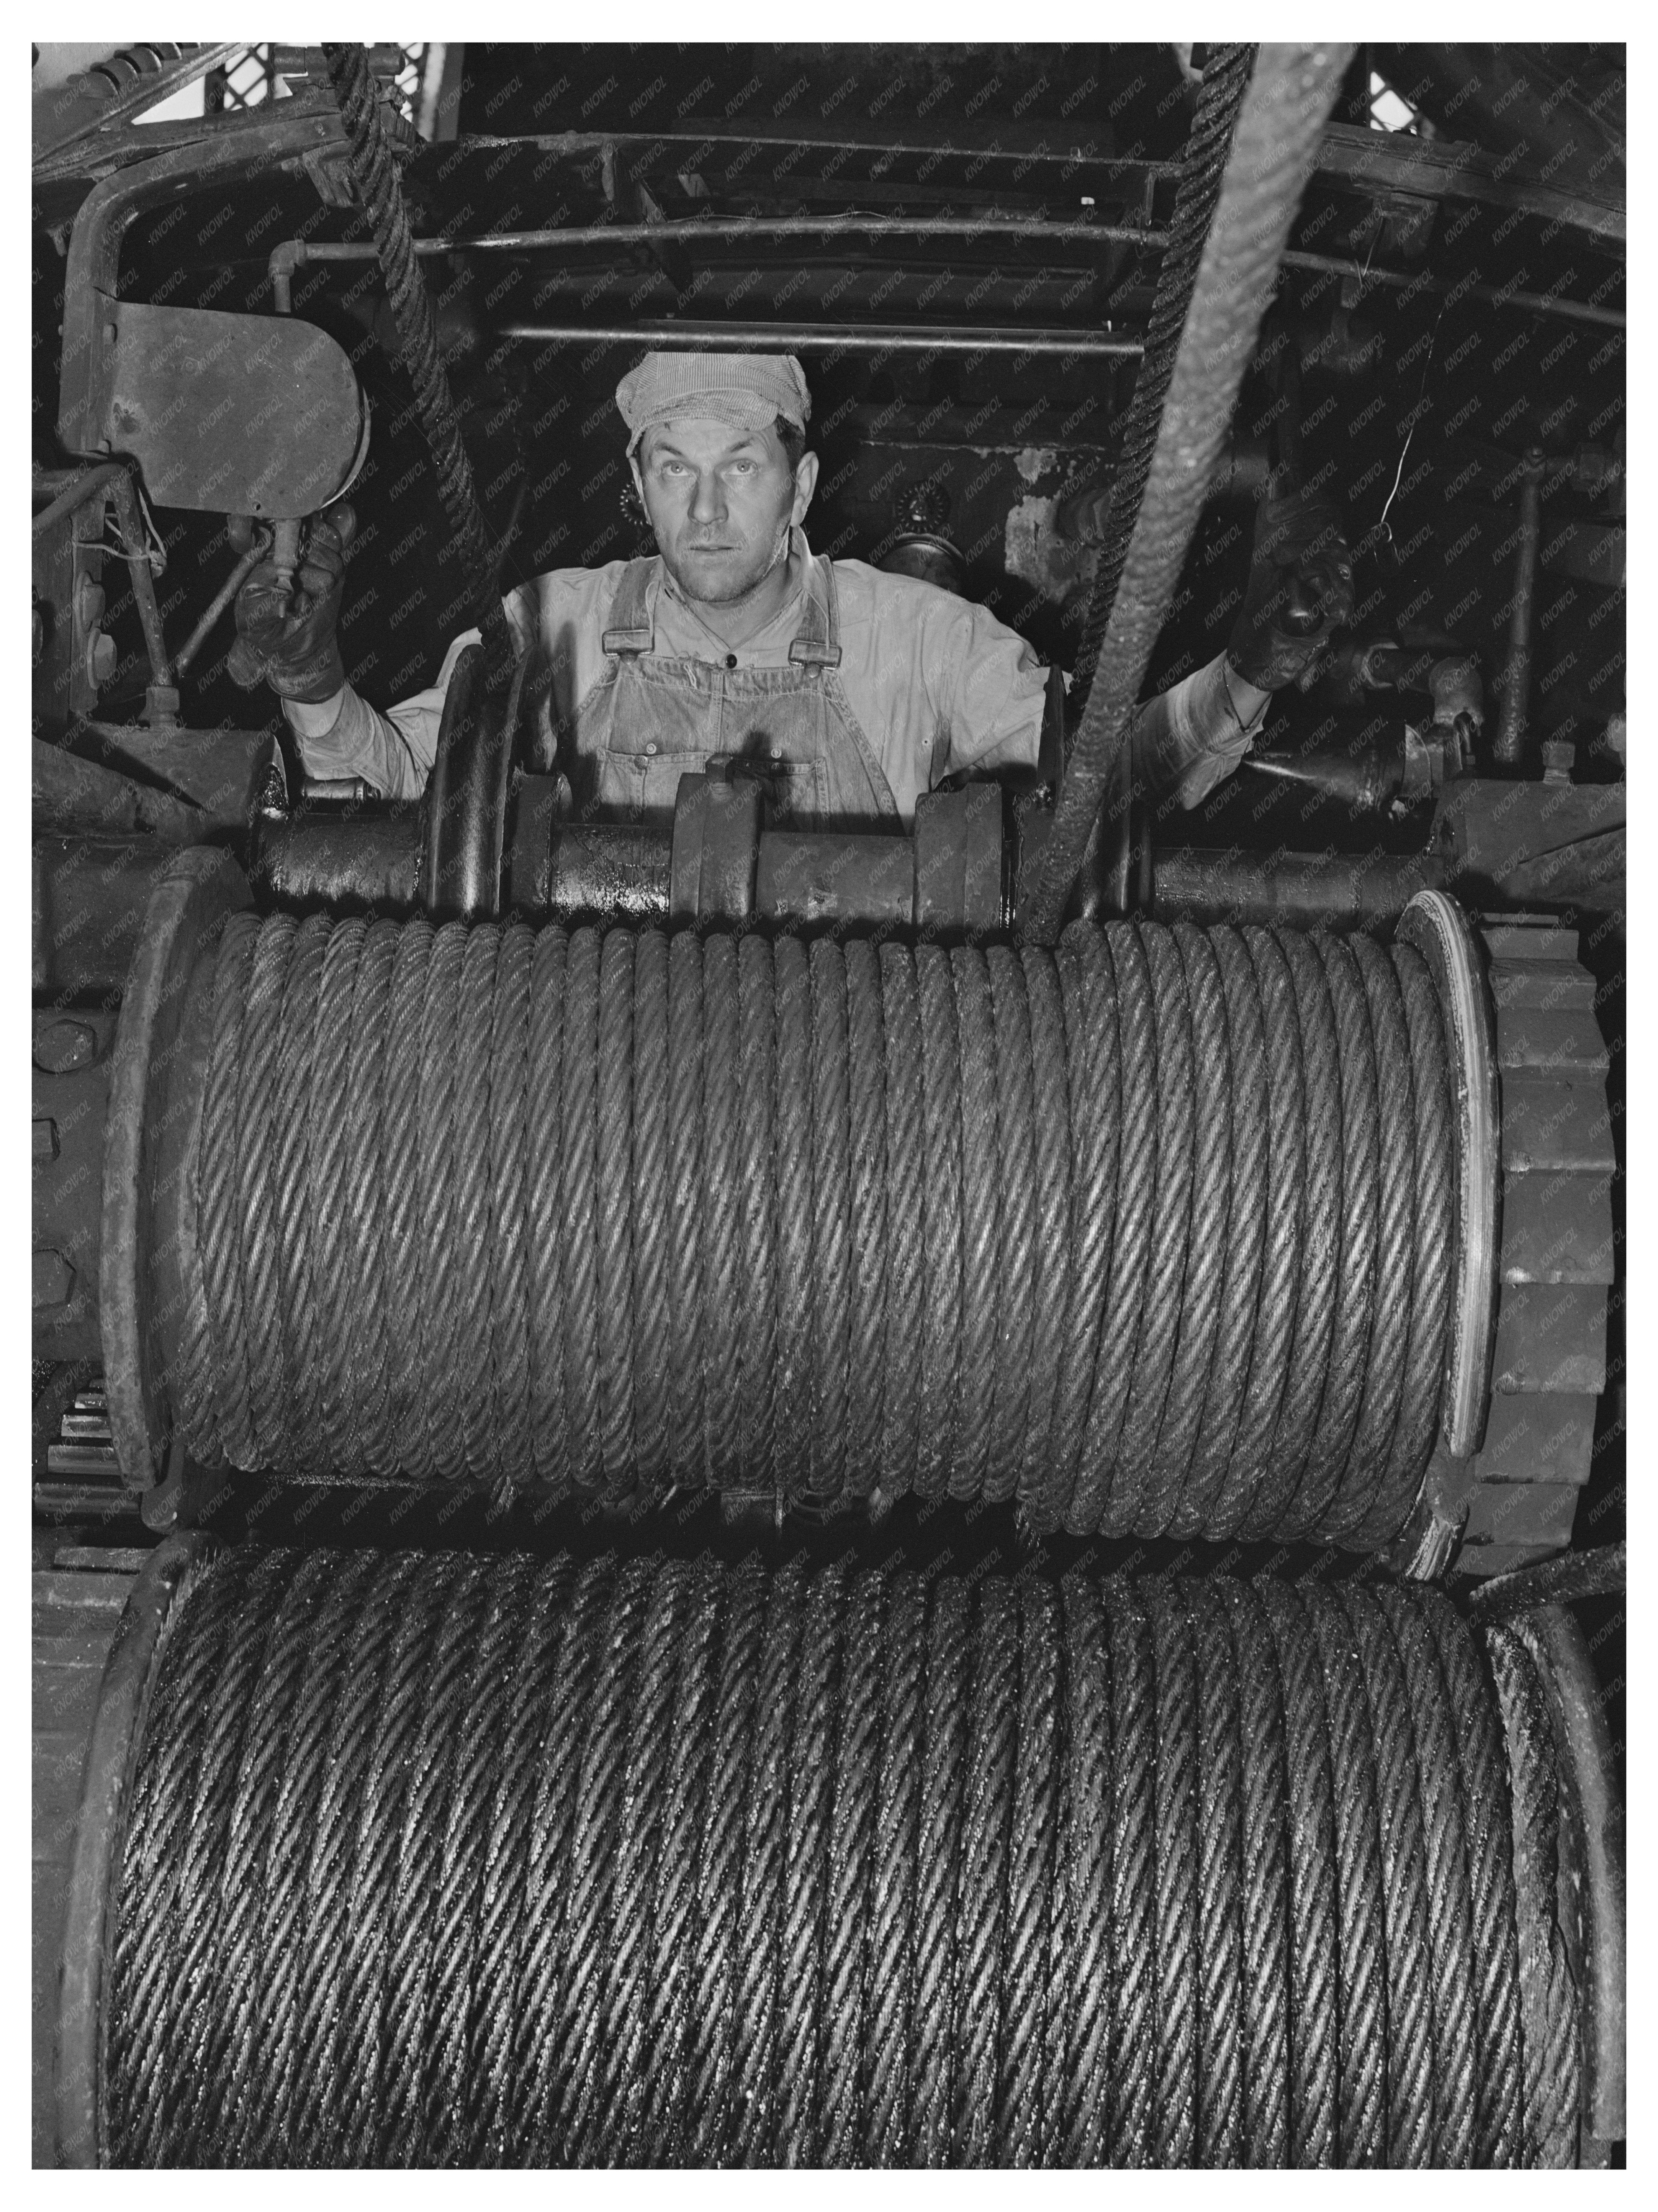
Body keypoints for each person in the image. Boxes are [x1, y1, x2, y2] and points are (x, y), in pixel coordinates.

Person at [231, 349, 1352, 827]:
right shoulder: (552, 625)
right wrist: (317, 687)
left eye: (741, 470)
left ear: (800, 484)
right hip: (580, 1081)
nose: (706, 512)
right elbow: (390, 799)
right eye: (676, 470)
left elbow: (1097, 799)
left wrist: (1245, 676)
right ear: (637, 485)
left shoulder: (918, 639)